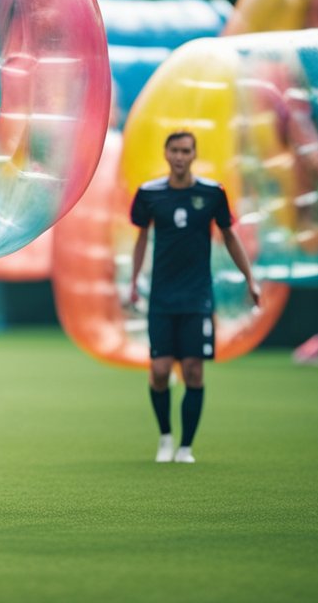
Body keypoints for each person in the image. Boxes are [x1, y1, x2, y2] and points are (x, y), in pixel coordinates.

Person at [128, 131, 260, 464]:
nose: (180, 156)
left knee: (193, 371)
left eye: (186, 150)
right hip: (162, 297)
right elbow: (142, 238)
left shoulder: (212, 193)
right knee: (159, 371)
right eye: (174, 150)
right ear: (166, 153)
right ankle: (165, 436)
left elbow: (229, 236)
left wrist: (250, 278)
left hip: (197, 296)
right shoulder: (149, 194)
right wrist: (132, 281)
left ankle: (186, 446)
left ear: (194, 154)